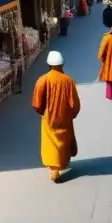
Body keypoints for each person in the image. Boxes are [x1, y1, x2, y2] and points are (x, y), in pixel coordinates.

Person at [32, 51, 81, 182]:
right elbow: (75, 104)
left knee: (50, 143)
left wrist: (44, 112)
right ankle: (62, 163)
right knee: (63, 141)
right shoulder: (68, 81)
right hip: (64, 117)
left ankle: (54, 169)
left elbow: (36, 103)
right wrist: (71, 115)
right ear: (62, 64)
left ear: (48, 64)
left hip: (48, 118)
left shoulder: (42, 80)